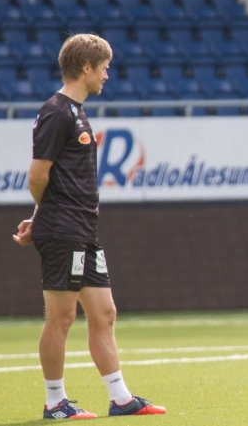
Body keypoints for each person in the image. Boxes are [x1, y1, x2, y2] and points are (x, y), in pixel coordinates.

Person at [12, 34, 167, 419]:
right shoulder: (57, 112)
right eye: (104, 68)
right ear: (86, 68)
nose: (107, 75)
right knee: (61, 317)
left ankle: (120, 398)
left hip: (82, 230)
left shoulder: (75, 112)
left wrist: (39, 215)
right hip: (64, 230)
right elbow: (37, 174)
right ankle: (54, 402)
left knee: (104, 313)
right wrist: (43, 212)